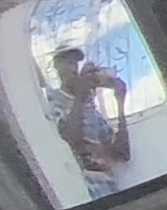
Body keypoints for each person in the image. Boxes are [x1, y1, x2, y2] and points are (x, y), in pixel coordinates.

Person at [50, 46, 132, 196]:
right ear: (57, 67)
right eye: (68, 62)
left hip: (108, 188)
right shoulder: (53, 100)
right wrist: (80, 96)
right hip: (79, 188)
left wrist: (120, 102)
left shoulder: (92, 111)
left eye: (76, 63)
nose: (74, 68)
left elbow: (122, 153)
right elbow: (70, 138)